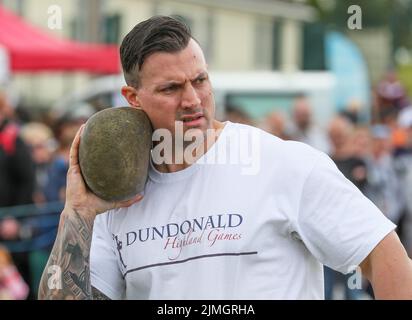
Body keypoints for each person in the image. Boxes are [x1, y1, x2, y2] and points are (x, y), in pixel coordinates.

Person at [39, 16, 412, 300]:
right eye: (171, 88)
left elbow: (384, 256)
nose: (192, 100)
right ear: (132, 97)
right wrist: (77, 212)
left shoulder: (283, 164)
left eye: (199, 80)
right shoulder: (116, 201)